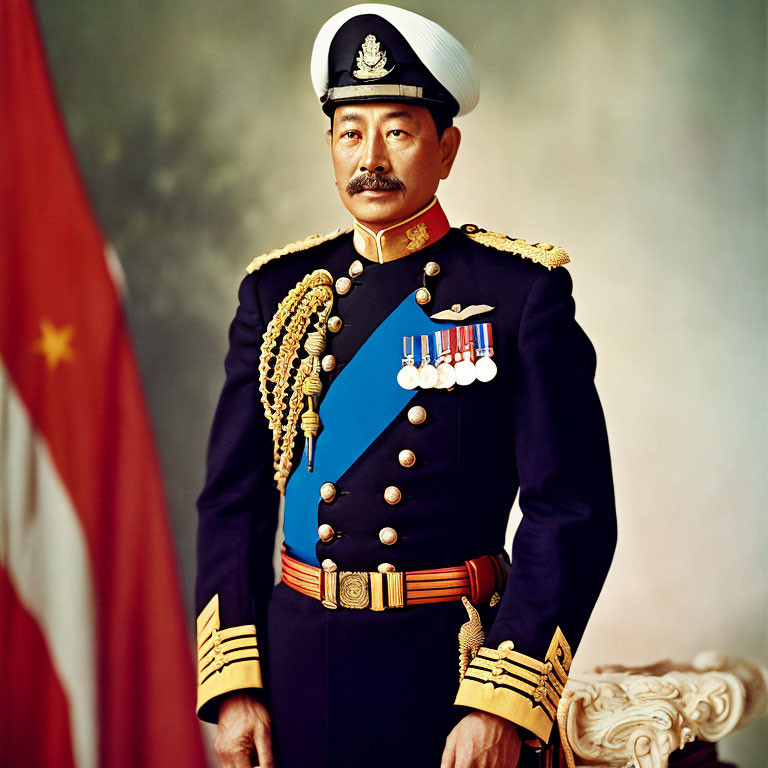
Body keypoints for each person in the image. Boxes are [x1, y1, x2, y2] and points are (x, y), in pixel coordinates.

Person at [194, 5, 617, 768]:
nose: (371, 158)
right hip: (297, 678)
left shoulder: (519, 294)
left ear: (446, 148)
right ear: (329, 146)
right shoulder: (277, 294)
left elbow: (572, 511)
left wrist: (503, 701)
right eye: (351, 132)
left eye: (399, 130)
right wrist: (235, 685)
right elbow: (233, 502)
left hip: (450, 679)